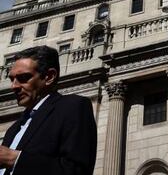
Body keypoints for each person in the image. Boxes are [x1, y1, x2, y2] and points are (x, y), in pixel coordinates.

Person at [0, 46, 97, 175]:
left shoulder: (73, 107)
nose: (14, 86)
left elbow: (75, 170)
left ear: (49, 77)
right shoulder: (13, 129)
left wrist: (14, 159)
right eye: (12, 79)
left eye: (23, 78)